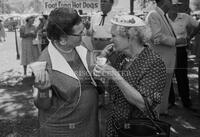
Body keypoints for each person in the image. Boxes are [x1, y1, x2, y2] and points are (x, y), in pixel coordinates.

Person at [93, 14, 167, 137]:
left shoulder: (154, 62)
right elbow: (114, 91)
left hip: (137, 129)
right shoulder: (122, 58)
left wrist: (115, 75)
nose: (111, 40)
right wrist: (102, 57)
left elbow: (144, 104)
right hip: (116, 126)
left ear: (130, 37)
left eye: (114, 36)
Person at [31, 7, 99, 137]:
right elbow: (42, 104)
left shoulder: (79, 45)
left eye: (83, 29)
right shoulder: (45, 64)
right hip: (62, 131)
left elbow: (87, 74)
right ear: (62, 39)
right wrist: (43, 90)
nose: (83, 34)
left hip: (87, 125)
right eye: (79, 33)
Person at [145, 0, 187, 115]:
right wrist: (176, 41)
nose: (172, 3)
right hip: (159, 60)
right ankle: (155, 115)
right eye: (170, 1)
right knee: (157, 90)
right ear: (164, 2)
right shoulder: (153, 14)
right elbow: (156, 37)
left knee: (165, 89)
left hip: (166, 60)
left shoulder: (163, 15)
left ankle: (162, 112)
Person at [167, 2, 200, 108]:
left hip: (181, 51)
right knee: (169, 75)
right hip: (167, 50)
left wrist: (190, 36)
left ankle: (186, 101)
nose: (177, 7)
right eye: (174, 5)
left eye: (178, 5)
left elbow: (197, 25)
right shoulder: (163, 18)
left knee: (182, 76)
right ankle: (170, 101)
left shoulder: (185, 17)